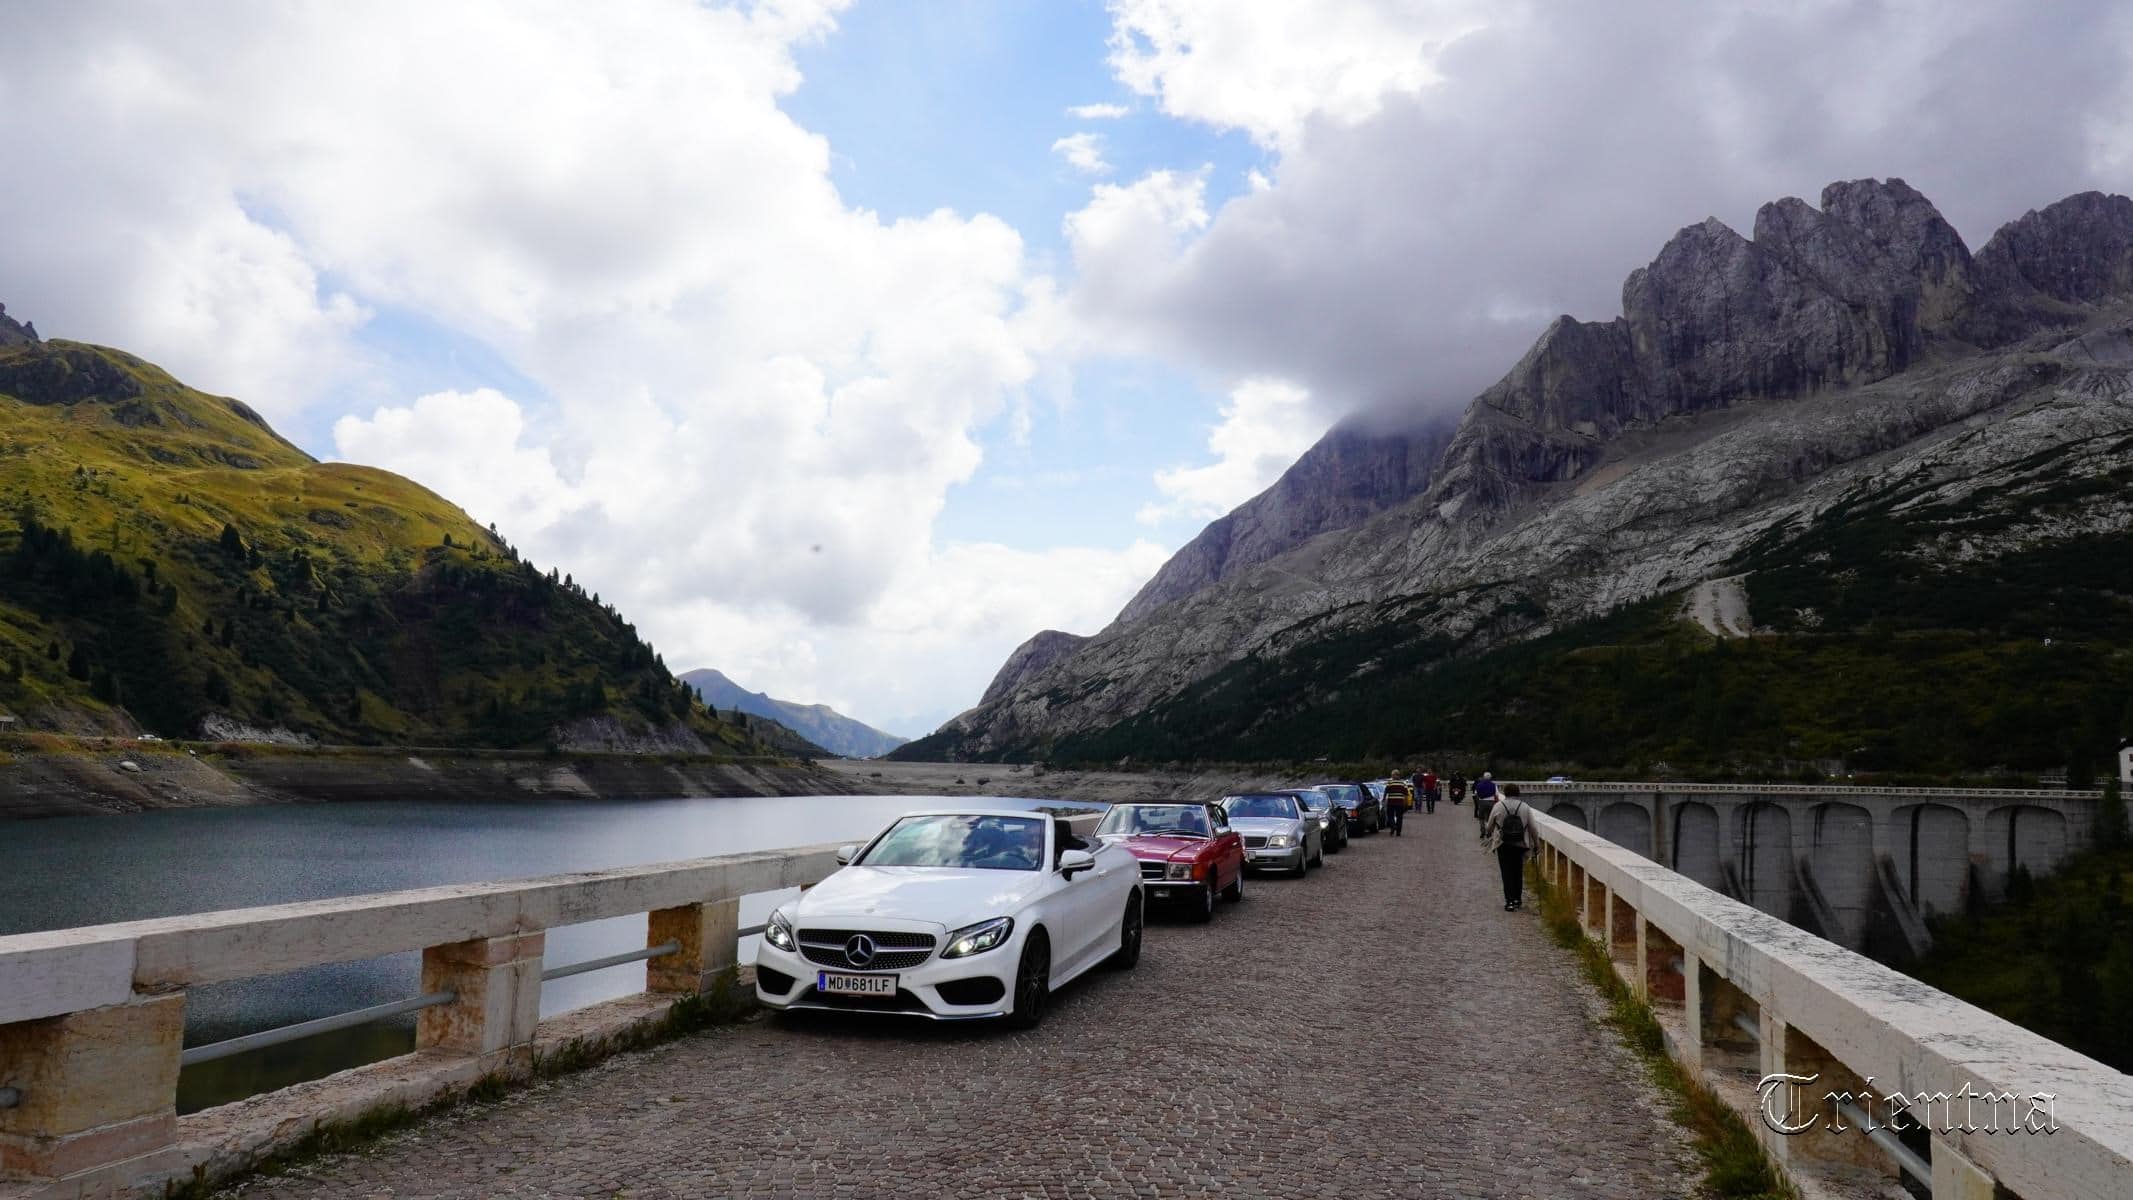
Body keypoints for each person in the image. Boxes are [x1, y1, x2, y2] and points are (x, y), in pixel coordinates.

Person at [1485, 782, 1535, 910]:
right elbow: (1533, 828)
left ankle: (1510, 901)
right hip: (1520, 843)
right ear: (1518, 793)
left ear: (1505, 792)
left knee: (1506, 872)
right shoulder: (1525, 807)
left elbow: (1490, 825)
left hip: (1503, 843)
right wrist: (1537, 844)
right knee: (1517, 872)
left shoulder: (1498, 806)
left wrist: (1489, 834)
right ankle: (1518, 899)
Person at [1472, 771, 1498, 840]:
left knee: (1481, 818)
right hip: (1491, 802)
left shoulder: (1479, 785)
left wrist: (1478, 803)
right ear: (1490, 777)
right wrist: (1496, 803)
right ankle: (1489, 832)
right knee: (1489, 818)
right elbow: (1496, 795)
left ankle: (1482, 831)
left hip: (1482, 802)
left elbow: (1476, 794)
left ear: (1483, 777)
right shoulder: (1494, 785)